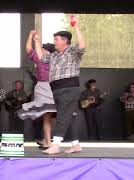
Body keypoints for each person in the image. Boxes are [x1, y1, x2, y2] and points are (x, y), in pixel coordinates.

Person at [34, 16, 86, 154]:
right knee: (70, 116)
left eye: (56, 39)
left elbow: (82, 45)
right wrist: (37, 42)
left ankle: (56, 145)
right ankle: (75, 145)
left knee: (62, 115)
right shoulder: (54, 55)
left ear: (65, 41)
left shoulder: (72, 52)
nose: (54, 42)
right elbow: (41, 58)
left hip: (69, 88)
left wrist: (76, 26)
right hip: (57, 89)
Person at [17, 30, 57, 149]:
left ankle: (48, 142)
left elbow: (29, 50)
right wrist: (30, 36)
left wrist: (31, 37)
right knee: (47, 116)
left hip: (48, 88)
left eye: (43, 49)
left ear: (48, 51)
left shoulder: (48, 60)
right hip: (46, 88)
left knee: (47, 116)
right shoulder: (43, 59)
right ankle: (47, 140)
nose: (41, 50)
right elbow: (29, 50)